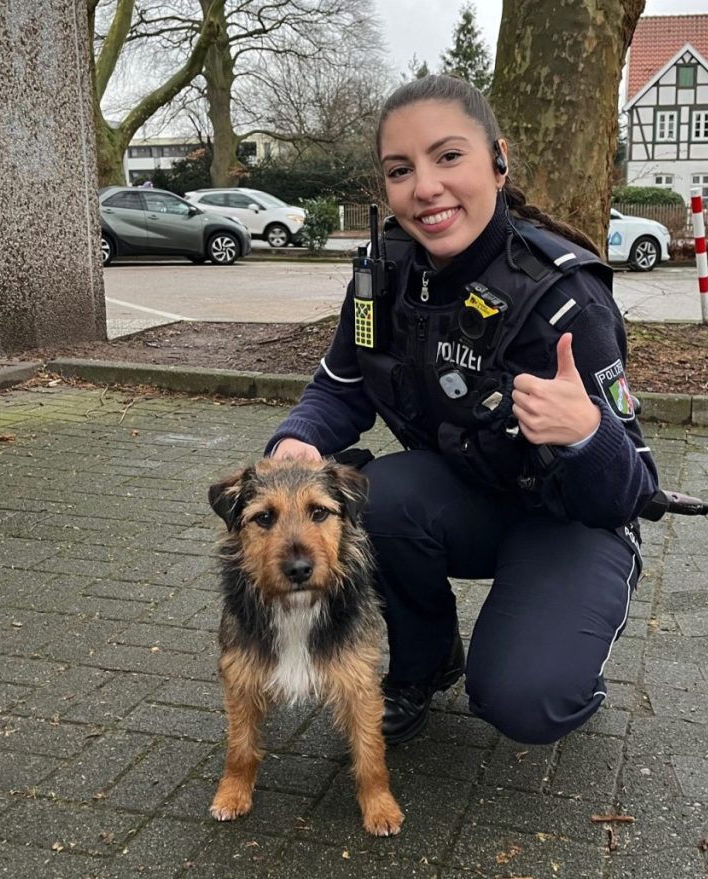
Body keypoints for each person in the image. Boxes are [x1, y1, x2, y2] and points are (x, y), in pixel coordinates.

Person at [265, 74, 659, 746]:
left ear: (497, 160)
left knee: (524, 699)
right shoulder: (380, 276)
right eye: (401, 169)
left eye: (448, 157)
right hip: (470, 497)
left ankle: (562, 648)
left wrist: (587, 433)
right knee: (374, 496)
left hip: (571, 518)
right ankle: (425, 662)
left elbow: (630, 491)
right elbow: (340, 385)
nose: (425, 187)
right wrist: (297, 441)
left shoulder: (566, 299)